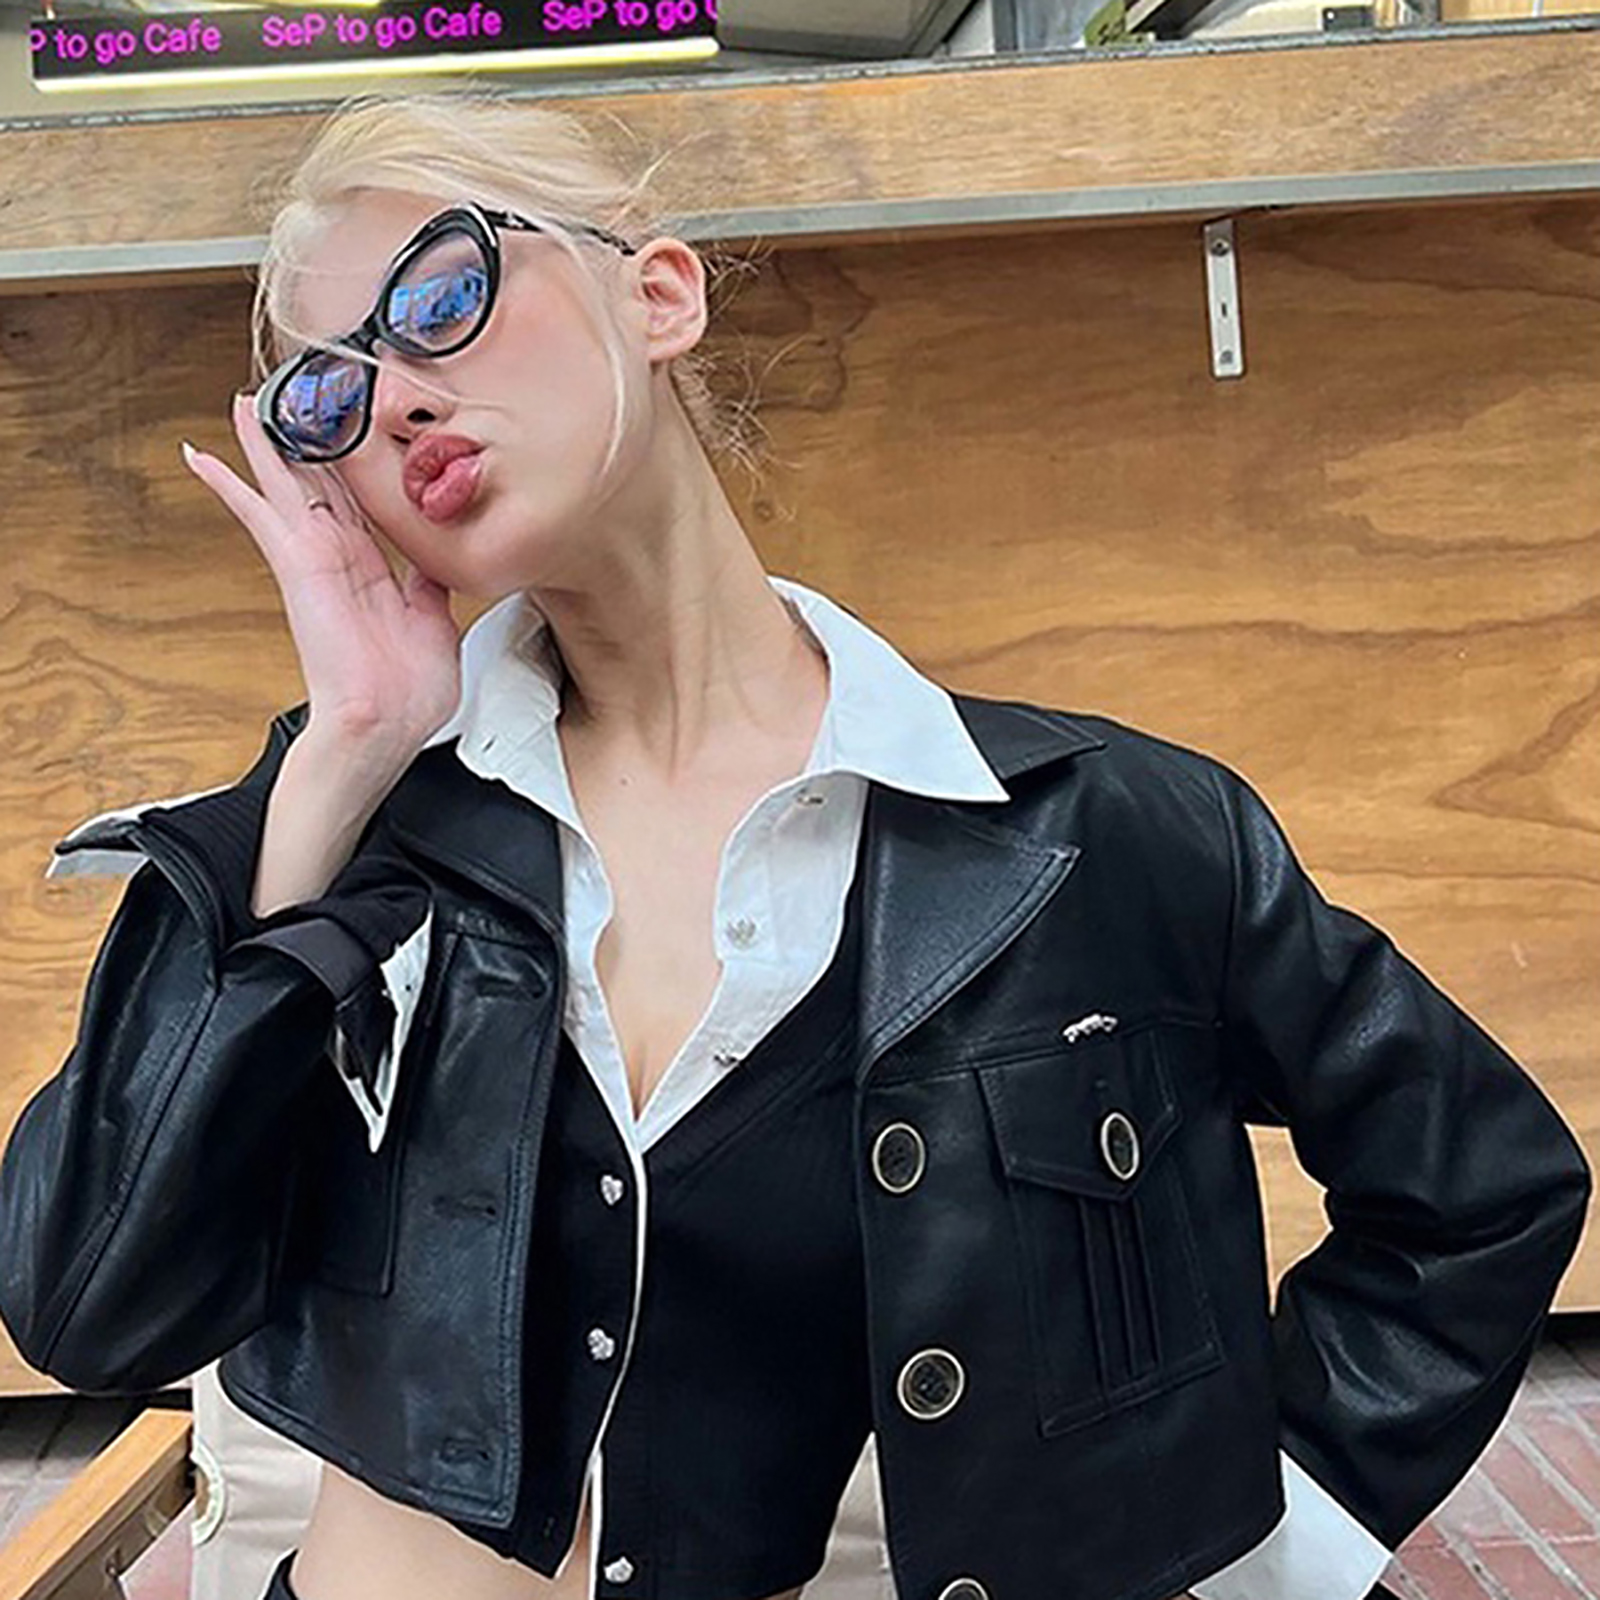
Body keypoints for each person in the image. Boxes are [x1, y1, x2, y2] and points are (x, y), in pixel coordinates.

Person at [0, 87, 1589, 1600]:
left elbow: (1481, 1191)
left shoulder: (1093, 835)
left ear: (658, 296)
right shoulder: (343, 821)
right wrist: (344, 752)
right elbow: (88, 1305)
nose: (396, 397)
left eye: (440, 295)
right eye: (328, 398)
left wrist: (1267, 1546)